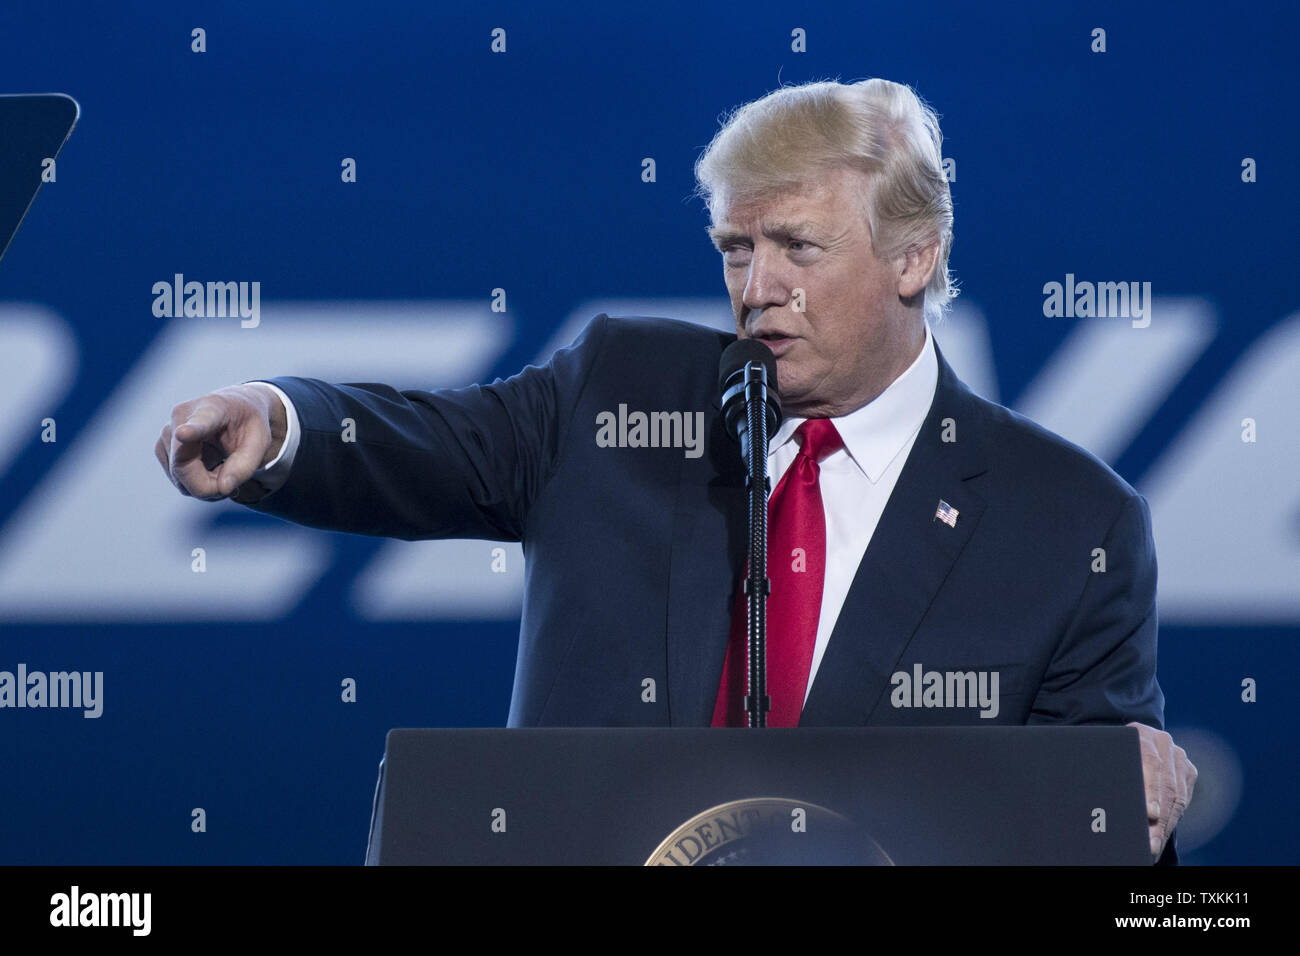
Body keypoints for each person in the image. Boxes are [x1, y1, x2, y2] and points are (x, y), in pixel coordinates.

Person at [156, 78, 1195, 862]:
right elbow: (434, 439)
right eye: (735, 248)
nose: (757, 288)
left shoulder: (1067, 522)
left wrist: (1124, 802)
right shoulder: (620, 389)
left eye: (796, 246)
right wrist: (278, 419)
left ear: (913, 255)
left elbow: (1086, 823)